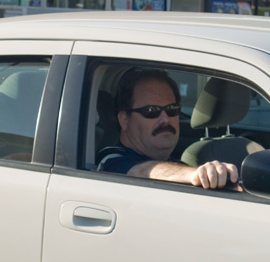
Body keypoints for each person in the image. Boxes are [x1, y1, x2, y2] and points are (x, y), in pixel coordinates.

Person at [98, 68, 239, 190]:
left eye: (172, 109)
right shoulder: (110, 160)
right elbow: (141, 171)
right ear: (124, 120)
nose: (165, 119)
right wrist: (198, 174)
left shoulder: (178, 165)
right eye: (151, 110)